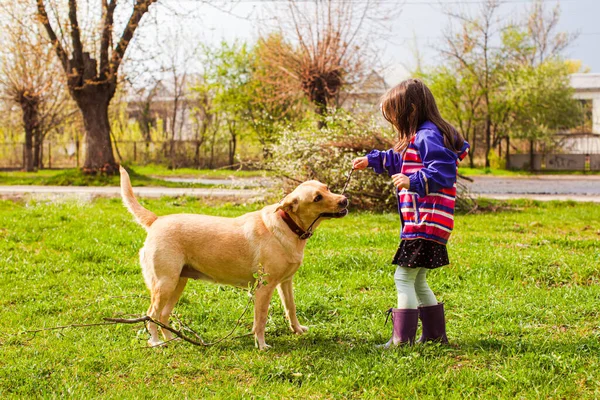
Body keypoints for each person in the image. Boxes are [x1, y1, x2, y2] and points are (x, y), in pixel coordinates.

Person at [353, 78, 469, 347]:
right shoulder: (420, 137)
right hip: (427, 223)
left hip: (425, 222)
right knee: (417, 281)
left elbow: (443, 171)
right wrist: (371, 160)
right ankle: (434, 336)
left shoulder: (428, 136)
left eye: (394, 115)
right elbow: (399, 158)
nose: (393, 122)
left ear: (412, 110)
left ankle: (401, 340)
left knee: (403, 277)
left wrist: (412, 181)